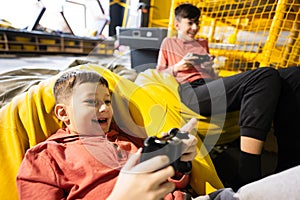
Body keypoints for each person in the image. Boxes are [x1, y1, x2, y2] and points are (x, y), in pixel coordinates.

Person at [16, 69, 198, 200]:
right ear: (63, 114)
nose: (104, 108)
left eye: (107, 101)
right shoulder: (47, 156)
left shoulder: (127, 140)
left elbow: (171, 182)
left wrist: (177, 162)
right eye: (91, 102)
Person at [156, 3, 282, 190]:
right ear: (177, 25)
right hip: (191, 88)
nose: (195, 27)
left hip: (210, 85)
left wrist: (209, 68)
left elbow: (213, 77)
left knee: (278, 78)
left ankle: (269, 164)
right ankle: (248, 171)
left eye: (197, 23)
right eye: (190, 23)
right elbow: (158, 72)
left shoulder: (203, 43)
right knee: (266, 75)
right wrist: (177, 67)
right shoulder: (169, 43)